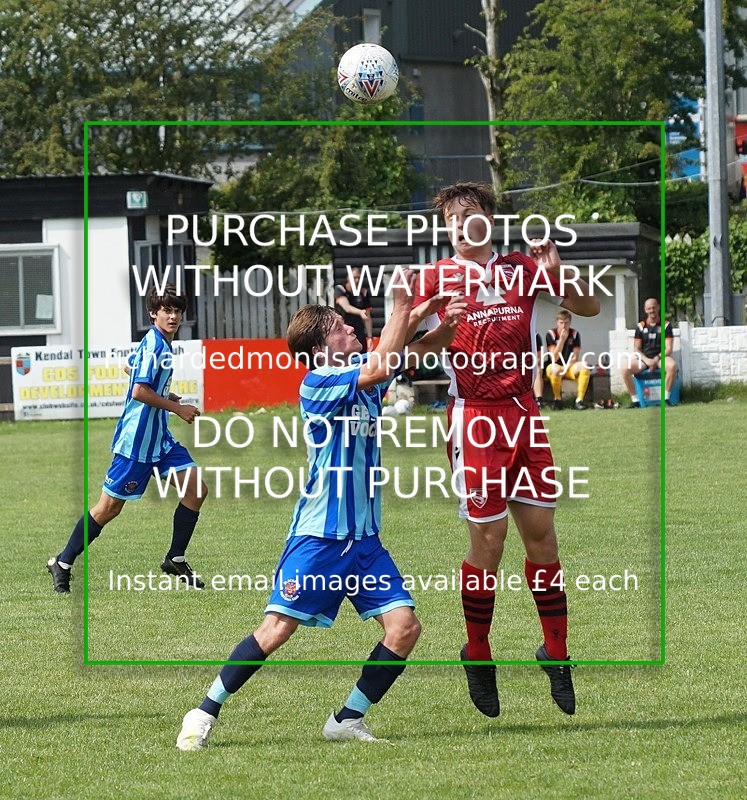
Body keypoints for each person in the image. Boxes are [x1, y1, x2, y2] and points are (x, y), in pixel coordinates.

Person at [175, 275, 466, 750]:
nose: (349, 328)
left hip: (365, 540)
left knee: (405, 628)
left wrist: (439, 316)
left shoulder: (359, 374)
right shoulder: (319, 382)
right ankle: (204, 711)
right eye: (338, 327)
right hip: (319, 538)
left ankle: (347, 719)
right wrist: (402, 307)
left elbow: (415, 350)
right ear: (319, 347)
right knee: (275, 631)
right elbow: (382, 362)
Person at [409, 181, 600, 717]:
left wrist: (559, 273)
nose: (460, 224)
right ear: (445, 229)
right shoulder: (435, 278)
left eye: (469, 214)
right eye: (451, 218)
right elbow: (407, 349)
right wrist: (441, 326)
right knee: (488, 545)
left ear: (489, 220)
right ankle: (478, 652)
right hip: (474, 420)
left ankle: (556, 652)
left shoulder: (520, 267)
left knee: (542, 539)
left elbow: (588, 305)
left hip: (523, 415)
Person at [46, 284, 208, 593]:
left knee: (196, 489)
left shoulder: (158, 342)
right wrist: (177, 407)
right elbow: (138, 390)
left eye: (177, 311)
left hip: (159, 440)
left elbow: (132, 370)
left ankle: (175, 558)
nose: (172, 316)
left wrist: (165, 394)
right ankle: (63, 562)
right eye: (166, 311)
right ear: (153, 314)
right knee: (108, 509)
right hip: (136, 443)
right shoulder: (157, 346)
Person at [620, 298, 678, 407]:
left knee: (672, 366)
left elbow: (669, 349)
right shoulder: (640, 327)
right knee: (624, 368)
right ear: (645, 310)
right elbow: (636, 349)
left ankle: (665, 399)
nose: (652, 310)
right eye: (649, 308)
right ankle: (635, 401)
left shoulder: (666, 325)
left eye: (654, 307)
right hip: (644, 360)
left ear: (658, 307)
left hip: (660, 358)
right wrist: (647, 360)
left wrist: (656, 359)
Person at [545, 309, 591, 410]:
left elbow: (575, 356)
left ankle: (579, 400)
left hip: (568, 367)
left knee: (585, 365)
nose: (564, 325)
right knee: (556, 369)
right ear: (557, 322)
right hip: (554, 367)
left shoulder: (574, 334)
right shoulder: (551, 334)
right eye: (561, 323)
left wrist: (566, 367)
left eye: (566, 323)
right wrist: (561, 340)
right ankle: (557, 399)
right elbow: (554, 358)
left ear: (570, 322)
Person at [334, 266, 373, 350]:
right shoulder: (340, 289)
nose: (357, 280)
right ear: (348, 277)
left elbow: (368, 317)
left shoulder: (363, 292)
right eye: (354, 277)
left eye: (359, 278)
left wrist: (370, 337)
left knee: (362, 356)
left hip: (359, 331)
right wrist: (360, 312)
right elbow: (347, 307)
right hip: (343, 330)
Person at [532, 333, 546, 408]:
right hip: (514, 363)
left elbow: (539, 358)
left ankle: (539, 400)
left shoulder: (535, 335)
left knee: (538, 370)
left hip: (529, 364)